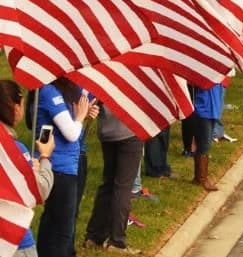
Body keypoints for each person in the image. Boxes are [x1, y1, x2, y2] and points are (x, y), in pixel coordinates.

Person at [35, 78, 95, 257]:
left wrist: (82, 115)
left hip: (63, 166)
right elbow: (71, 133)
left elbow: (68, 128)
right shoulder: (50, 92)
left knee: (52, 223)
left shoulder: (59, 92)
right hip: (60, 168)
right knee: (62, 230)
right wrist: (80, 117)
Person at [1, 80, 54, 257]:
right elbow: (41, 189)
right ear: (16, 108)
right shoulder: (14, 150)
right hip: (17, 242)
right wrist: (45, 157)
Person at [83, 103, 145, 252]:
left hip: (107, 130)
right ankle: (117, 241)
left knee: (108, 184)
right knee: (123, 187)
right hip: (131, 129)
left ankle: (94, 236)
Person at [181, 82, 223, 192]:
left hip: (212, 109)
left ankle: (199, 177)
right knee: (204, 144)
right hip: (203, 111)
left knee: (206, 143)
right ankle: (201, 178)